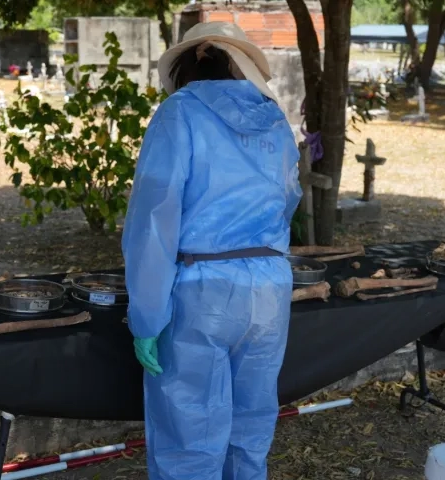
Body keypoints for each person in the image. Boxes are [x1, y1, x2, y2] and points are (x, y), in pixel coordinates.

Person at [121, 22, 303, 480]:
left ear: (187, 66)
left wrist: (146, 316)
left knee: (188, 439)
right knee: (250, 430)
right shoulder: (275, 119)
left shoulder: (178, 113)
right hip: (269, 290)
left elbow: (154, 219)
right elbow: (287, 200)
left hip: (202, 291)